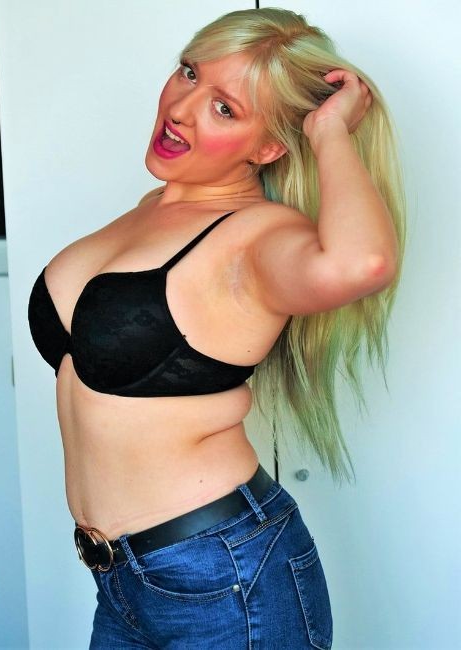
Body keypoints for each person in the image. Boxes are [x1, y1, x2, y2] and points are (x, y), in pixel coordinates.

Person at [28, 7, 405, 649]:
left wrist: (329, 132)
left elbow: (361, 262)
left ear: (269, 148)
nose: (181, 108)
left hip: (225, 579)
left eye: (225, 108)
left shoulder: (258, 236)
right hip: (121, 583)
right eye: (189, 73)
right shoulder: (150, 209)